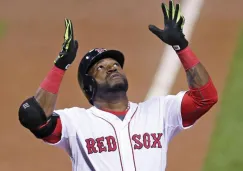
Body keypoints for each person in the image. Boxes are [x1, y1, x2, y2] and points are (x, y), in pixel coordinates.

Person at [18, 1, 218, 171]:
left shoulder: (160, 112)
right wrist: (60, 66)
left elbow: (206, 97)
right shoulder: (75, 122)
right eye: (100, 68)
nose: (112, 68)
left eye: (115, 65)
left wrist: (181, 47)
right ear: (89, 85)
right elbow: (35, 116)